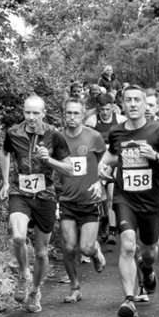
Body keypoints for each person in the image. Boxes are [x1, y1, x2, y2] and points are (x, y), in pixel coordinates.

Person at [98, 86, 159, 317]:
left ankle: (146, 269)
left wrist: (155, 156)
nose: (133, 104)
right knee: (128, 246)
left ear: (145, 104)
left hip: (152, 199)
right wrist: (102, 168)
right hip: (125, 198)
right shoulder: (116, 132)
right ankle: (129, 300)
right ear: (122, 105)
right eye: (128, 100)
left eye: (137, 100)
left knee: (149, 252)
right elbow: (113, 155)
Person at [0, 95, 74, 313]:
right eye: (27, 112)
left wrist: (48, 160)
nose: (31, 117)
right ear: (23, 112)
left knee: (41, 253)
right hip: (19, 192)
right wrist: (5, 181)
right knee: (19, 236)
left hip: (46, 195)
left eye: (35, 113)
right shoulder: (13, 133)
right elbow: (4, 152)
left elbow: (69, 169)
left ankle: (35, 291)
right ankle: (23, 274)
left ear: (44, 113)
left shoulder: (54, 135)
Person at [56, 97, 107, 303]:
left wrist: (101, 183)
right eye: (69, 113)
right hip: (67, 200)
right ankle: (75, 287)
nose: (72, 117)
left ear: (83, 114)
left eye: (76, 113)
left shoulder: (94, 137)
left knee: (85, 248)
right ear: (63, 114)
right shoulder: (57, 138)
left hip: (89, 201)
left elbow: (108, 161)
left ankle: (95, 252)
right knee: (68, 247)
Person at [85, 93, 127, 244]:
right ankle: (104, 219)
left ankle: (112, 231)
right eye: (102, 109)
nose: (104, 112)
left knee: (111, 195)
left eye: (108, 109)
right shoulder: (91, 122)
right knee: (100, 198)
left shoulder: (120, 120)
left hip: (114, 162)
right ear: (98, 108)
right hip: (97, 163)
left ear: (113, 107)